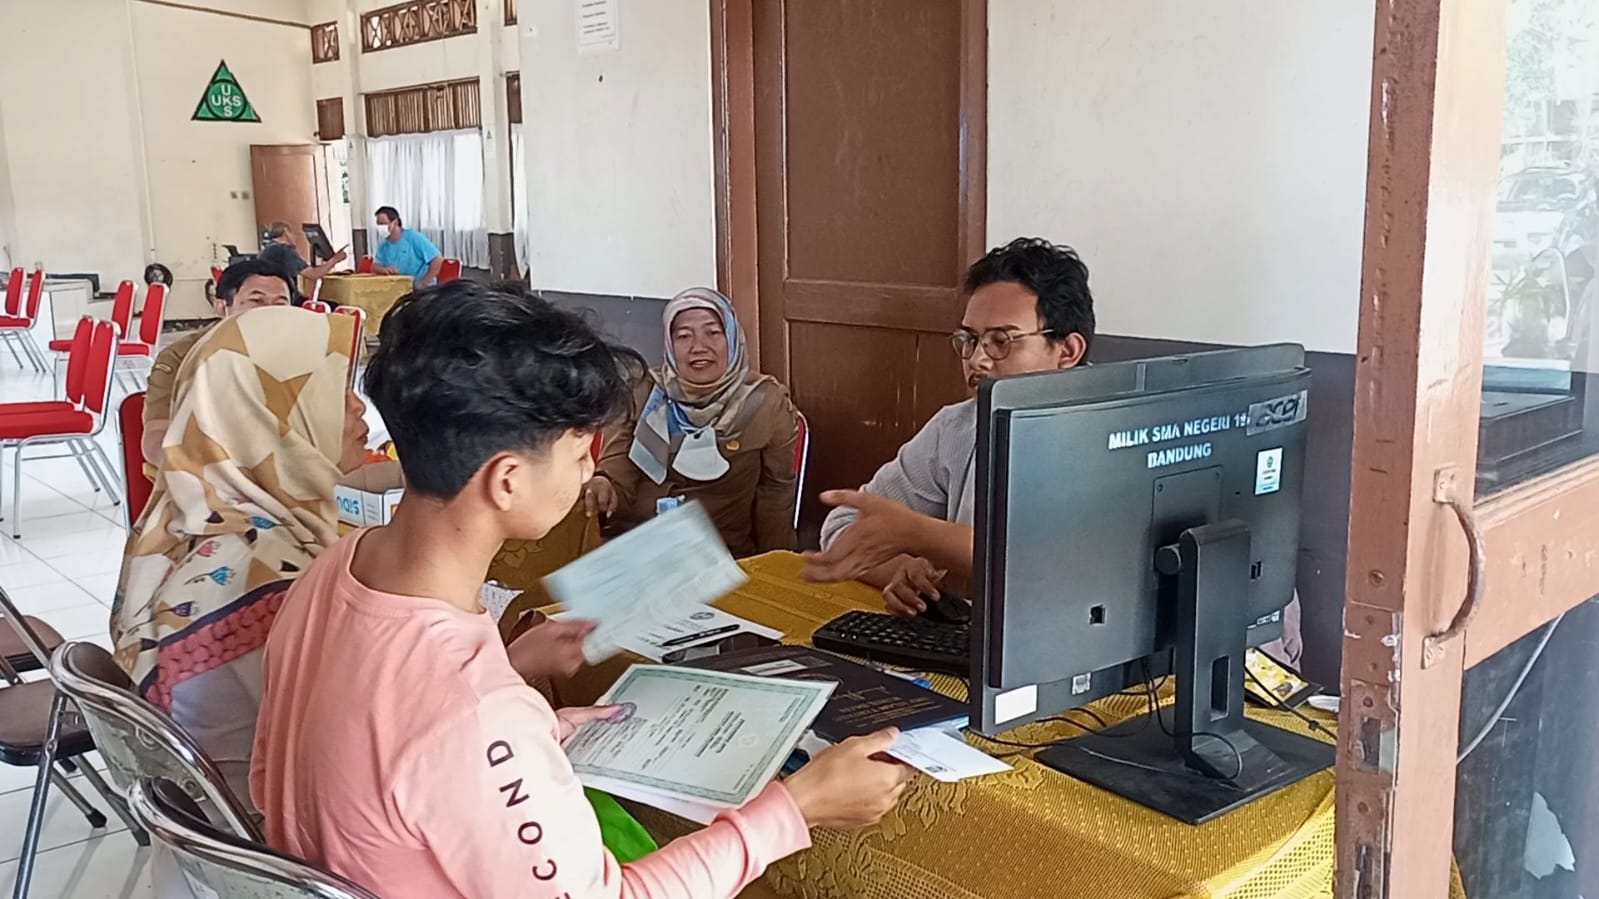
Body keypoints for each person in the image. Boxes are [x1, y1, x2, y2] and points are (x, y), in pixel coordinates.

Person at [251, 281, 910, 899]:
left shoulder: (334, 568)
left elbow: (385, 737)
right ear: (506, 480)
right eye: (576, 454)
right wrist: (793, 809)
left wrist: (524, 698)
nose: (590, 467)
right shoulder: (476, 712)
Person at [810, 238, 1304, 666]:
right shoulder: (959, 427)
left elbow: (1065, 576)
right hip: (1004, 658)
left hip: (1163, 671)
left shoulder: (1126, 437)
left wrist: (922, 535)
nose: (978, 359)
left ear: (1067, 350)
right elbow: (844, 530)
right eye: (969, 340)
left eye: (1002, 341)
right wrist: (901, 573)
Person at [111, 306, 369, 808]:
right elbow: (364, 751)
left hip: (209, 840)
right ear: (270, 414)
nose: (359, 409)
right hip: (268, 853)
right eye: (334, 391)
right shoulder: (268, 578)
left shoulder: (181, 519)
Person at [584, 287, 799, 557]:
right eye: (684, 336)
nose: (699, 347)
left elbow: (775, 493)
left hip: (715, 555)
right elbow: (617, 465)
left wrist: (775, 564)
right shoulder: (643, 389)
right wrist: (605, 482)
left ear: (732, 338)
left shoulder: (766, 403)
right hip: (636, 545)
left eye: (713, 332)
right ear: (669, 344)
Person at [142, 258, 296, 467]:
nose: (269, 313)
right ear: (222, 307)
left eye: (280, 304)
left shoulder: (303, 352)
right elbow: (156, 438)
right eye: (256, 301)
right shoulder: (182, 357)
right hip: (212, 473)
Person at [257, 221, 348, 302]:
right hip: (287, 298)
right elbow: (314, 274)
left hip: (270, 297)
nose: (295, 237)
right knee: (334, 305)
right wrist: (335, 259)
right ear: (286, 232)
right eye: (293, 234)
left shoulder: (266, 250)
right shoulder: (284, 251)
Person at [370, 205, 443, 286]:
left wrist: (424, 282)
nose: (381, 228)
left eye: (384, 224)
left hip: (421, 288)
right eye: (378, 225)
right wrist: (385, 270)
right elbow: (374, 267)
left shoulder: (412, 237)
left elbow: (437, 259)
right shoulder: (384, 245)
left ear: (395, 222)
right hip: (399, 287)